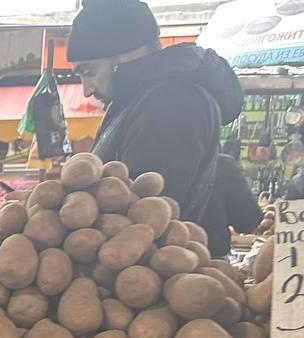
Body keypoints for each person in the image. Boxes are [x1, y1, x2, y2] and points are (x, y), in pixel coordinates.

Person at [68, 0, 243, 250]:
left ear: (127, 54)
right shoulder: (140, 100)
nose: (86, 90)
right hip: (131, 269)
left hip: (145, 274)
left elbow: (146, 213)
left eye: (89, 71)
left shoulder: (171, 102)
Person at [203, 153, 263, 257]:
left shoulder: (165, 162)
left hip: (168, 255)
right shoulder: (222, 164)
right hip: (211, 257)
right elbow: (247, 221)